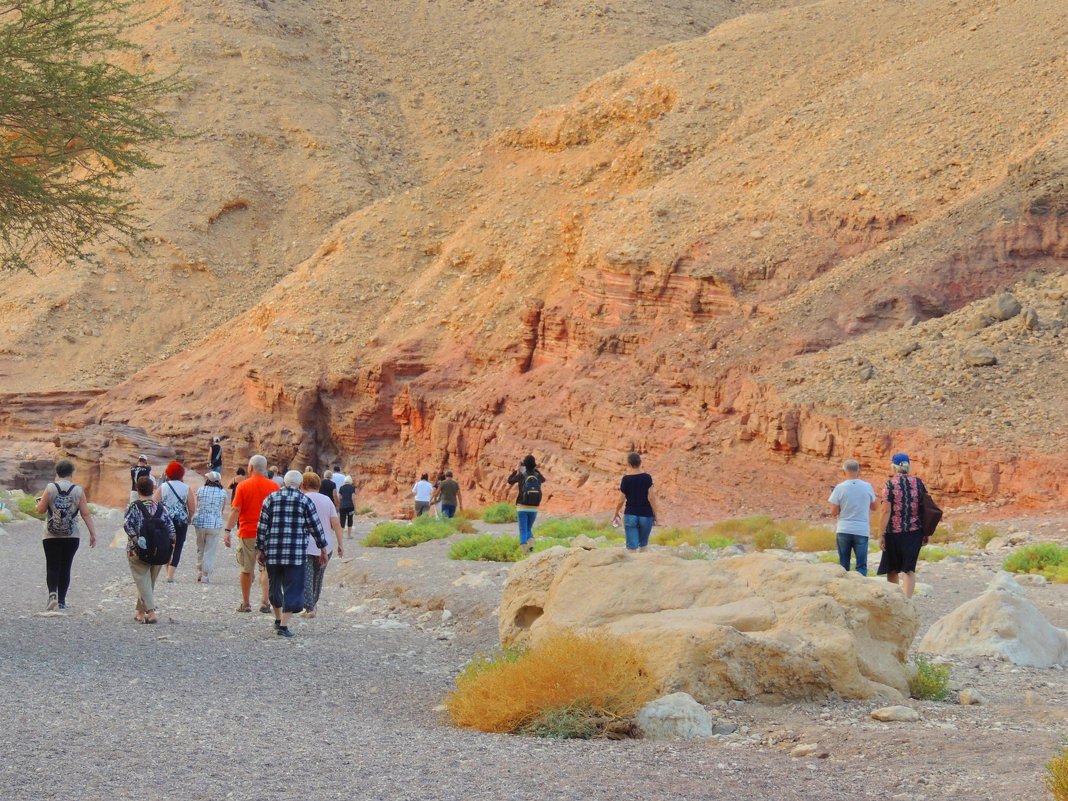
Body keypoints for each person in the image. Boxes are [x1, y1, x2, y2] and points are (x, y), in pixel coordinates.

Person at [256, 470, 329, 638]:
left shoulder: (270, 499)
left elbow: (262, 526)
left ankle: (277, 619)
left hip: (273, 552)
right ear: (301, 485)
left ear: (283, 483)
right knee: (293, 588)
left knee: (274, 586)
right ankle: (283, 625)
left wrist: (260, 549)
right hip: (295, 554)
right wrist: (322, 548)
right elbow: (315, 527)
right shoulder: (305, 500)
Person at [34, 459, 97, 610]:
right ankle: (62, 600)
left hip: (50, 535)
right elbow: (86, 514)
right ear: (72, 473)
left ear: (57, 472)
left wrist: (37, 504)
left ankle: (52, 595)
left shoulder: (50, 488)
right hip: (72, 535)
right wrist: (92, 533)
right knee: (66, 566)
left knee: (52, 565)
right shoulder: (78, 490)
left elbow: (41, 510)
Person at [225, 455, 277, 613]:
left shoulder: (243, 486)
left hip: (248, 532)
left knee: (247, 569)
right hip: (268, 533)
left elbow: (235, 509)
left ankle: (246, 603)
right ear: (265, 468)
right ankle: (265, 602)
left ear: (251, 468)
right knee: (266, 568)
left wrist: (227, 530)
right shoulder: (274, 486)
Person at [124, 475, 176, 624]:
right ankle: (140, 613)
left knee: (142, 580)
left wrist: (137, 542)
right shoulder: (161, 507)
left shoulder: (133, 507)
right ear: (153, 489)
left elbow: (127, 526)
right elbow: (171, 530)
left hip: (137, 551)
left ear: (137, 489)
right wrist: (170, 548)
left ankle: (151, 612)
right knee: (148, 583)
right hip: (159, 551)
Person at [877, 453, 929, 599]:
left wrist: (881, 534)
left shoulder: (890, 484)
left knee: (892, 568)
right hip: (915, 531)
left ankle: (896, 600)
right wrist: (926, 532)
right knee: (909, 569)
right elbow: (925, 509)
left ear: (893, 466)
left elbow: (886, 510)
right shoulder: (919, 483)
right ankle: (907, 600)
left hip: (893, 532)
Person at [300, 471, 343, 618]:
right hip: (327, 545)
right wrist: (340, 544)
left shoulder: (302, 499)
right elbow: (336, 524)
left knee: (306, 576)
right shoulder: (327, 500)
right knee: (318, 577)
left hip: (305, 545)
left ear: (303, 484)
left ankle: (309, 607)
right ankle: (313, 604)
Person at [829, 459, 878, 575]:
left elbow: (834, 512)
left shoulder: (839, 488)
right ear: (858, 470)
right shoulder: (867, 486)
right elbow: (875, 507)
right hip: (861, 530)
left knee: (844, 565)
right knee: (861, 565)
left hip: (844, 529)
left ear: (844, 471)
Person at [155, 461, 196, 583]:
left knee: (166, 545)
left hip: (165, 521)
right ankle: (170, 575)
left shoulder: (163, 487)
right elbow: (192, 508)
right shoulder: (186, 488)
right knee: (178, 546)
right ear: (181, 474)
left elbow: (154, 503)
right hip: (180, 521)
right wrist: (189, 518)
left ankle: (167, 570)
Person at [612, 452, 659, 552]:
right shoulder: (647, 477)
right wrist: (656, 514)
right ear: (640, 462)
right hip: (646, 515)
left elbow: (621, 499)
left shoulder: (626, 479)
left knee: (632, 547)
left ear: (628, 464)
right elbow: (651, 497)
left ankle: (632, 567)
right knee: (643, 545)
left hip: (630, 514)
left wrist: (616, 513)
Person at [191, 471, 227, 582]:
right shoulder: (222, 492)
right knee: (210, 549)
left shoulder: (201, 490)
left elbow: (198, 505)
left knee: (200, 547)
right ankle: (205, 575)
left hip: (201, 522)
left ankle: (199, 571)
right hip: (215, 523)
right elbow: (222, 509)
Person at [507, 455, 545, 553]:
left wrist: (516, 470)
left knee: (523, 529)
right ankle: (532, 547)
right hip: (534, 507)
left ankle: (524, 552)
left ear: (525, 465)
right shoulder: (537, 475)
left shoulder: (522, 475)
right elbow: (543, 479)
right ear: (534, 465)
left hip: (522, 506)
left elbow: (510, 481)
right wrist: (536, 470)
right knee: (528, 528)